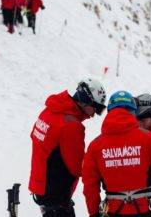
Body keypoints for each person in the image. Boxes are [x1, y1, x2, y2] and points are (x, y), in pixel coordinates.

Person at [29, 78, 107, 217]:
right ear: (85, 101)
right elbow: (77, 166)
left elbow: (34, 136)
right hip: (55, 194)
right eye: (96, 107)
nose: (94, 114)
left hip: (40, 185)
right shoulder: (72, 126)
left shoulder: (49, 111)